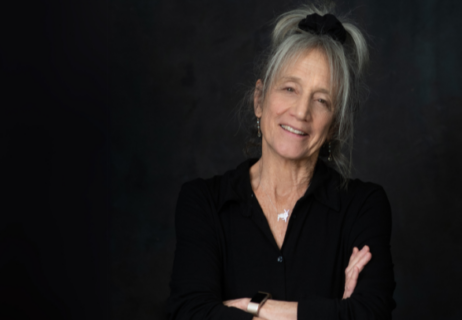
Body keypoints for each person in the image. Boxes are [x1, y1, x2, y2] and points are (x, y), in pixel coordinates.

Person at [166, 4, 396, 320]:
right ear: (259, 99)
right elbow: (189, 314)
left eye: (322, 100)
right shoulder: (203, 202)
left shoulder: (364, 206)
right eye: (290, 88)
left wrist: (246, 307)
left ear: (334, 126)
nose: (301, 112)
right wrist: (334, 314)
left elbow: (371, 315)